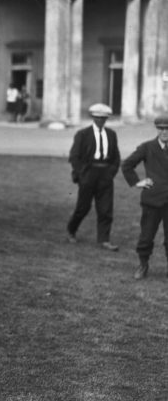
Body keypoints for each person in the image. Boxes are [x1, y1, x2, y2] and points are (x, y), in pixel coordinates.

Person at [66, 103, 120, 251]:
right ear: (93, 118)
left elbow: (116, 157)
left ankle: (104, 239)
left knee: (106, 209)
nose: (101, 121)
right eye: (98, 118)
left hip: (105, 175)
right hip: (88, 174)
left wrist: (111, 172)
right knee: (83, 207)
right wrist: (82, 174)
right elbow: (74, 157)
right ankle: (71, 229)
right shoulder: (83, 134)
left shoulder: (111, 134)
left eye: (104, 118)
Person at [121, 114, 168, 279]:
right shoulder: (147, 147)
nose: (164, 132)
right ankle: (143, 265)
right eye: (161, 128)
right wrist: (137, 182)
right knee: (146, 236)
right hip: (152, 200)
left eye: (167, 128)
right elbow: (127, 165)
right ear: (157, 129)